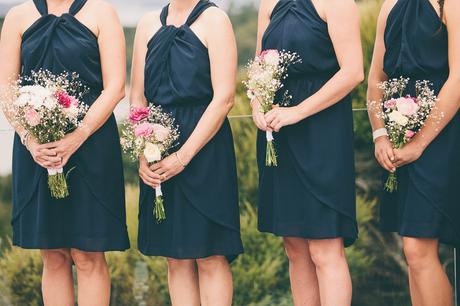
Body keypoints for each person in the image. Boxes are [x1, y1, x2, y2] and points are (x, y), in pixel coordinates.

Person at [0, 0, 129, 305]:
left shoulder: (102, 12)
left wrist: (78, 135)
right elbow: (6, 90)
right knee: (53, 253)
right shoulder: (17, 16)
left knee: (88, 254)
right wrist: (30, 140)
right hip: (37, 151)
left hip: (93, 146)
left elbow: (116, 88)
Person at [129, 0, 243, 305]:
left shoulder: (215, 19)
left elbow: (225, 98)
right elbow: (137, 96)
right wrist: (143, 151)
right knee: (175, 257)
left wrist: (183, 156)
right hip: (157, 147)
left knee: (211, 254)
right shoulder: (147, 23)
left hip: (205, 149)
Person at [253, 0, 364, 305]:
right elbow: (260, 66)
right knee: (294, 245)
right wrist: (256, 106)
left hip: (322, 131)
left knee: (325, 246)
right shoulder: (268, 3)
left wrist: (297, 112)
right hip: (279, 133)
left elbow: (353, 72)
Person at [367, 0, 460, 305]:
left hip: (442, 138)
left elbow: (458, 79)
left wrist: (419, 143)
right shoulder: (388, 6)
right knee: (412, 251)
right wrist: (381, 135)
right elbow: (377, 79)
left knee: (418, 249)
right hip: (397, 138)